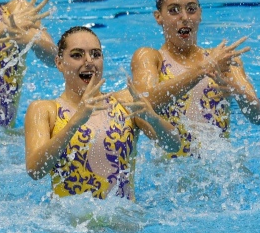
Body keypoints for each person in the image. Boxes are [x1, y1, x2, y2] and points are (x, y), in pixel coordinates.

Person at [25, 26, 180, 200]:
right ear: (59, 63)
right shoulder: (45, 110)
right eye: (77, 55)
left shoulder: (126, 102)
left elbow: (173, 146)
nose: (89, 61)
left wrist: (154, 118)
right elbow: (35, 171)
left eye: (96, 54)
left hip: (123, 222)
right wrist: (74, 122)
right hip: (70, 224)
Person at [131, 0, 260, 158]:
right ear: (158, 17)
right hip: (170, 174)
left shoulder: (223, 58)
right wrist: (204, 68)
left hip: (220, 172)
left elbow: (257, 117)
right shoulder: (150, 57)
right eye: (174, 10)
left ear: (200, 14)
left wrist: (237, 90)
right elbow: (145, 102)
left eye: (191, 9)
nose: (184, 17)